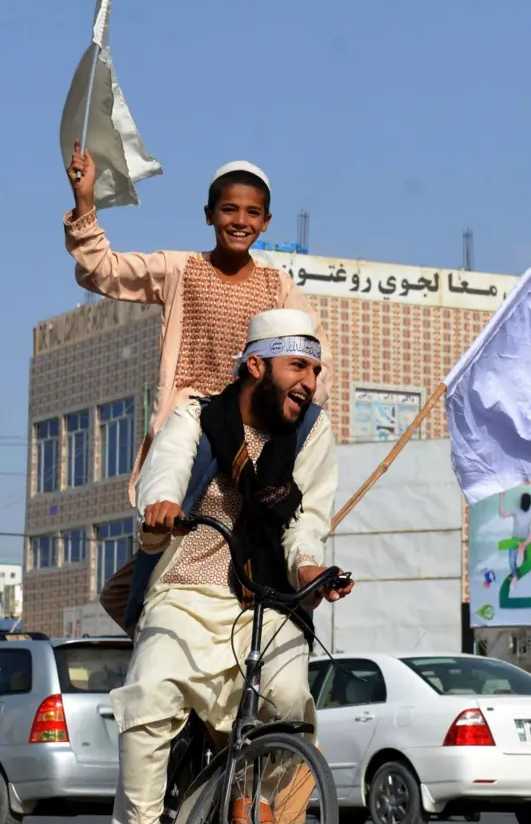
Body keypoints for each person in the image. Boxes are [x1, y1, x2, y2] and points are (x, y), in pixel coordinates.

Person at [110, 309, 351, 824]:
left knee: (289, 699)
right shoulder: (200, 415)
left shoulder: (313, 432)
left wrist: (309, 569)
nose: (311, 381)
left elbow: (310, 518)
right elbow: (167, 466)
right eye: (299, 366)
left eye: (317, 369)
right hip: (188, 586)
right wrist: (160, 506)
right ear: (256, 366)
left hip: (265, 596)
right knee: (152, 688)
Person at [65, 145, 332, 632]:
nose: (240, 220)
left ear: (267, 222)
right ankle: (157, 641)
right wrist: (86, 203)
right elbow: (104, 271)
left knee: (271, 538)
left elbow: (317, 358)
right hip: (193, 427)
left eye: (252, 212)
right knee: (158, 551)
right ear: (209, 214)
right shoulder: (180, 269)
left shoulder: (278, 286)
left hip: (252, 433)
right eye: (229, 209)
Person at [498, 491, 531, 584]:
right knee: (511, 560)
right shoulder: (515, 510)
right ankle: (515, 575)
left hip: (526, 540)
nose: (525, 508)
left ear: (530, 504)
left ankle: (520, 576)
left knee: (527, 560)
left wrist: (529, 539)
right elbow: (502, 515)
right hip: (515, 539)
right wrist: (500, 499)